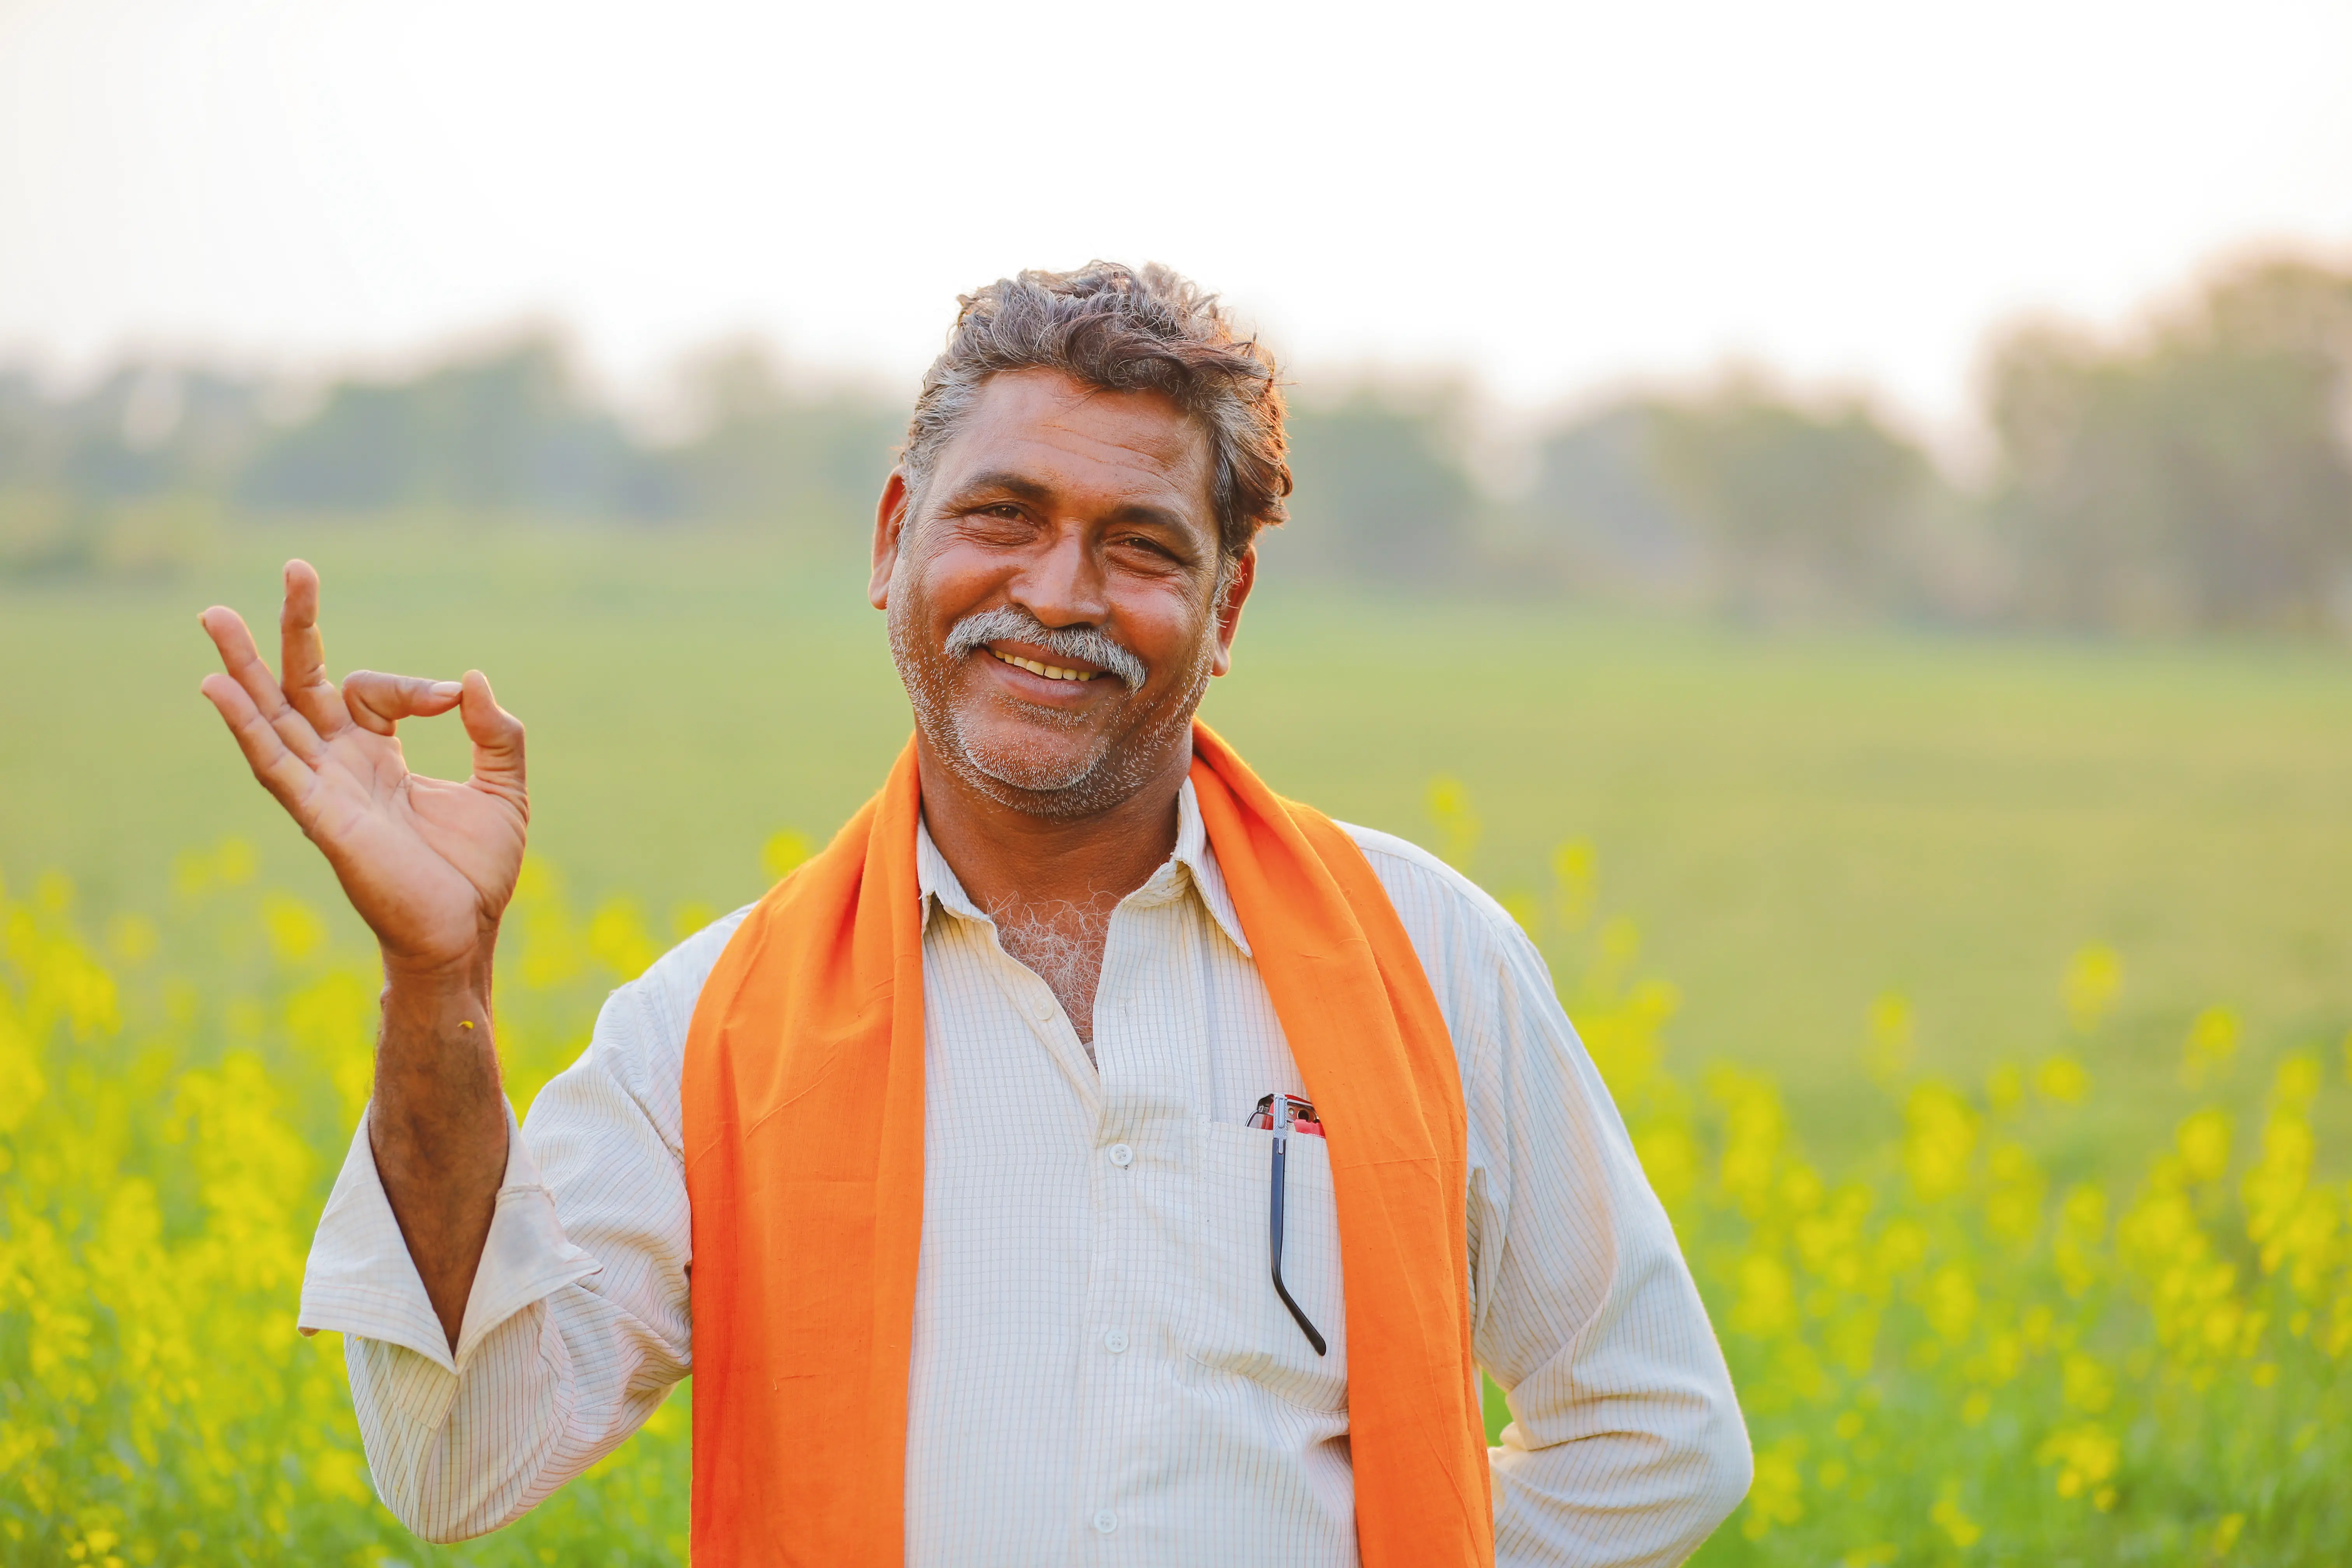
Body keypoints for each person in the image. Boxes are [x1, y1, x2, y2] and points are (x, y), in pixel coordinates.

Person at [199, 262, 1750, 1567]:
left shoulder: (1432, 956)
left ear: (1227, 610)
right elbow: (460, 1461)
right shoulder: (713, 1025)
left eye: (1141, 546)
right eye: (1003, 515)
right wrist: (436, 982)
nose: (1059, 593)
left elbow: (1656, 1432)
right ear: (894, 545)